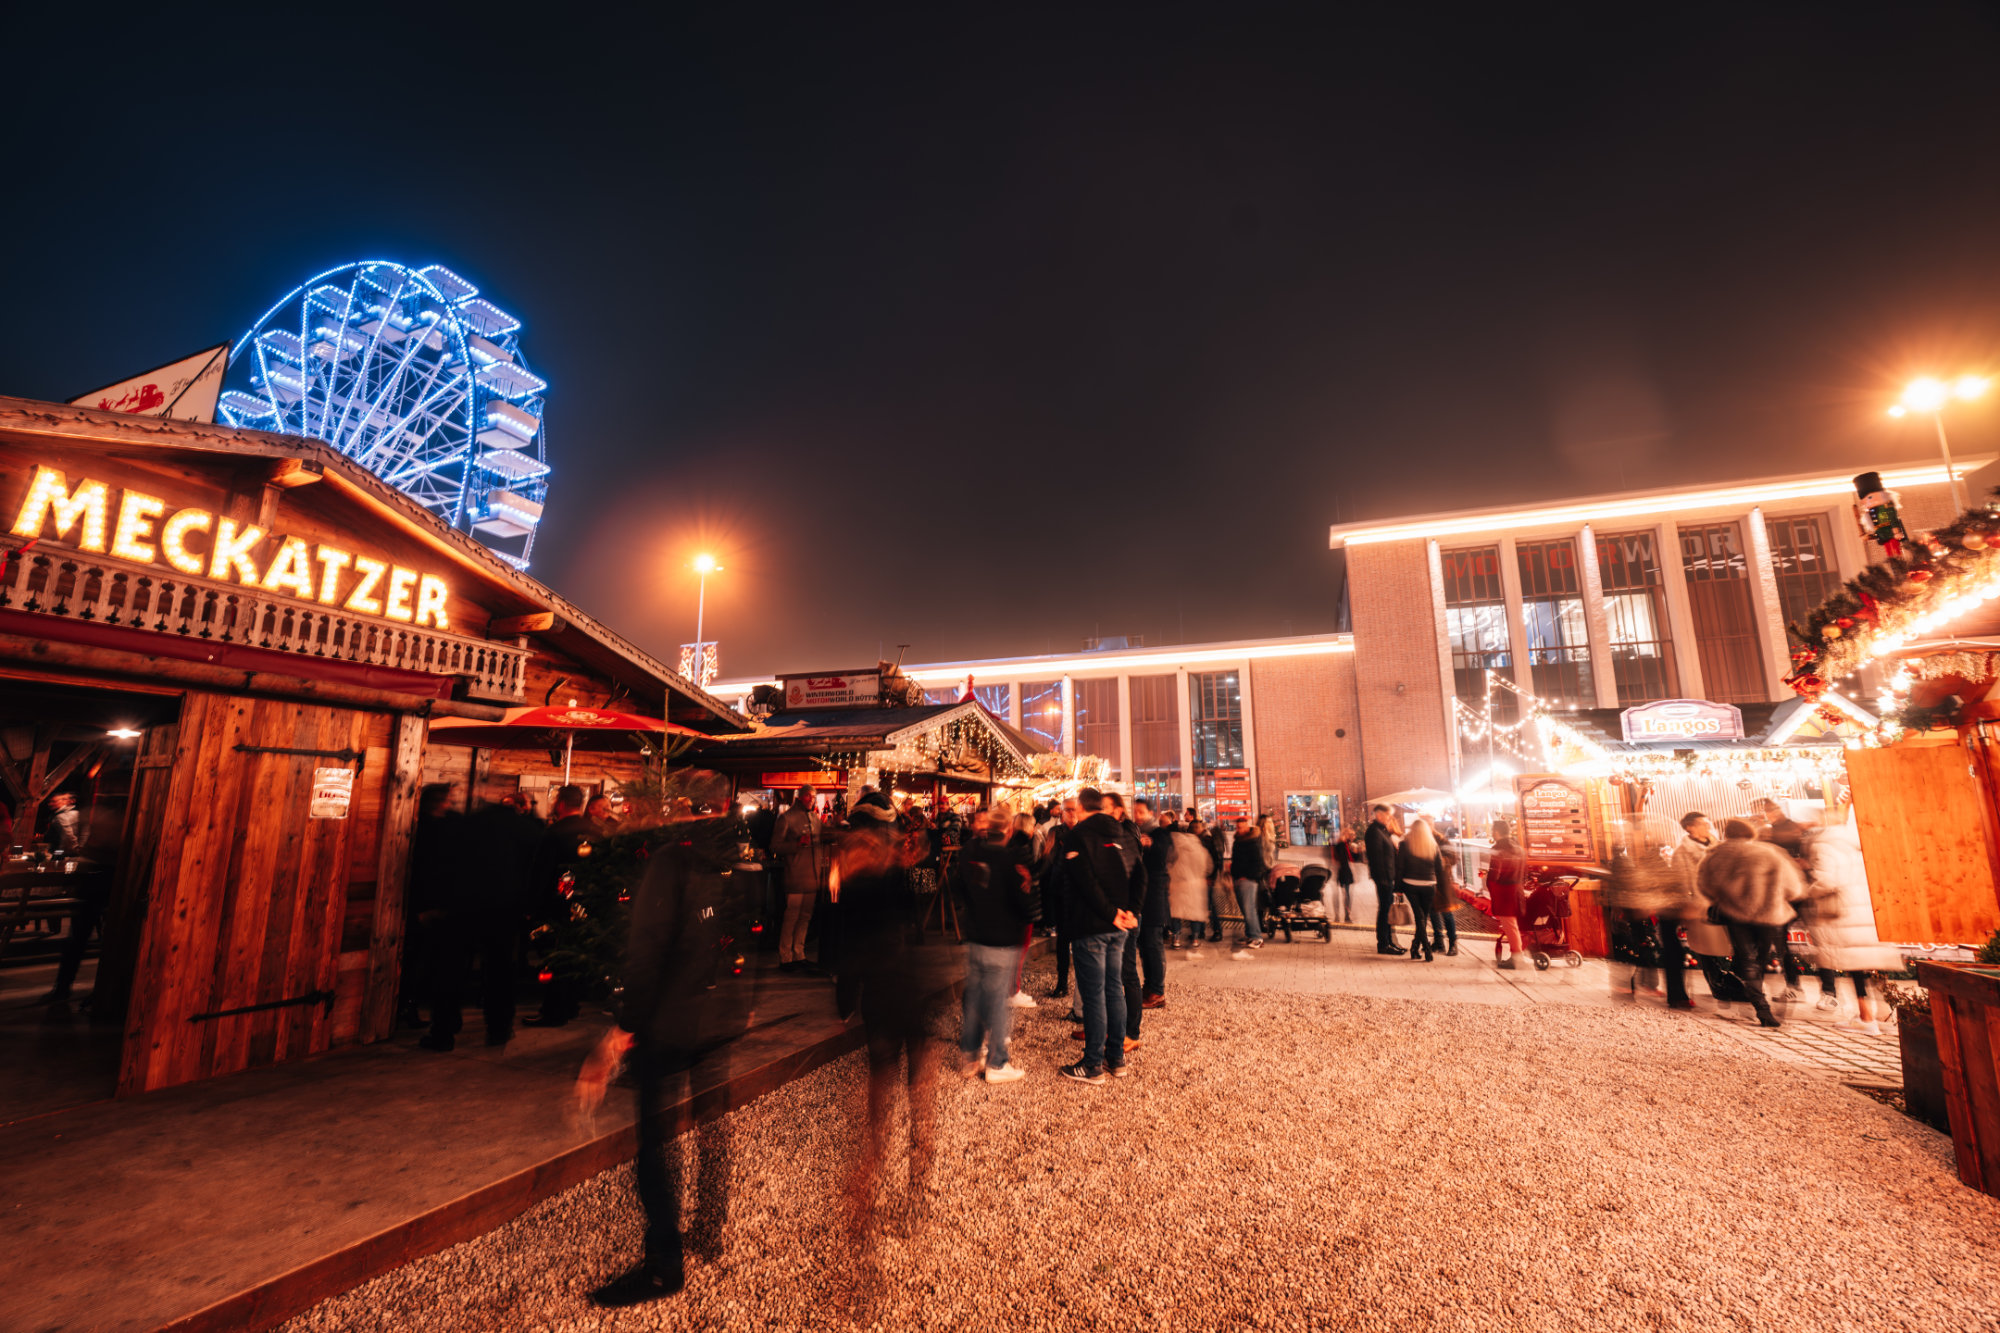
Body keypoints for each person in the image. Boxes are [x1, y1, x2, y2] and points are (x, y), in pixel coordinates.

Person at [576, 772, 747, 1307]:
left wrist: (623, 1028)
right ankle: (710, 1229)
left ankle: (663, 1263)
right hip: (720, 1016)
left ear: (681, 807)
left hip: (672, 1019)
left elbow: (647, 952)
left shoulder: (672, 862)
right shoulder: (739, 860)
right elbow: (744, 936)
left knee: (657, 1140)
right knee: (711, 1125)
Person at [831, 792, 939, 1223]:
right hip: (908, 988)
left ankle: (871, 1188)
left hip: (882, 991)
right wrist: (918, 859)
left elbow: (843, 944)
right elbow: (919, 910)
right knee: (919, 1098)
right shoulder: (892, 866)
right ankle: (916, 1190)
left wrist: (845, 1000)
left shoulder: (851, 874)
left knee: (883, 1096)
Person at [424, 793, 538, 1050]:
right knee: (500, 971)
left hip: (462, 907)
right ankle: (499, 1029)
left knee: (451, 971)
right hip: (504, 910)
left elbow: (444, 865)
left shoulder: (466, 826)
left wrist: (439, 903)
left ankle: (444, 1032)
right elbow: (534, 870)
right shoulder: (526, 830)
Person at [1057, 788, 1141, 1085]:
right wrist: (1130, 911)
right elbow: (1139, 874)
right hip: (1119, 926)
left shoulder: (1078, 836)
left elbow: (1085, 883)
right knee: (1113, 989)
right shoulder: (1122, 832)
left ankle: (1092, 1063)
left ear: (1080, 807)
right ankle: (1115, 1058)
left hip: (1091, 924)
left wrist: (1110, 913)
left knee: (1094, 996)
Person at [1696, 818, 1805, 1028]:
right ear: (1750, 832)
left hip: (1736, 915)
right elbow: (1794, 888)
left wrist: (1726, 898)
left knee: (1747, 960)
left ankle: (1762, 1009)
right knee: (1765, 957)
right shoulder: (1770, 852)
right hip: (1770, 914)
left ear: (1727, 834)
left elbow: (1704, 885)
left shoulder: (1715, 855)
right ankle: (1768, 997)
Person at [1805, 818, 1901, 1034]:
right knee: (1875, 965)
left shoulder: (1826, 845)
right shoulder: (1863, 844)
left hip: (1846, 913)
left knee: (1856, 967)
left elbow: (1828, 880)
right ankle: (1885, 1016)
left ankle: (1865, 1018)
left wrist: (1810, 891)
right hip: (1870, 910)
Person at [958, 810, 1034, 1081]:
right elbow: (1022, 903)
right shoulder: (1008, 860)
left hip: (976, 937)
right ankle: (997, 1062)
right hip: (1001, 941)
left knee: (975, 1000)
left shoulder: (970, 853)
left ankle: (970, 1056)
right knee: (998, 1003)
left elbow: (961, 889)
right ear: (1009, 831)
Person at [524, 785, 597, 1028]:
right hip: (587, 902)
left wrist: (531, 905)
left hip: (557, 902)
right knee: (577, 956)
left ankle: (554, 1011)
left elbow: (541, 872)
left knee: (555, 957)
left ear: (561, 803)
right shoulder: (594, 830)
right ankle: (571, 1005)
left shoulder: (554, 832)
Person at [771, 786, 828, 974]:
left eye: (813, 796)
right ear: (800, 797)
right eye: (808, 796)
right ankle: (785, 956)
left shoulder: (815, 819)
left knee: (805, 917)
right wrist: (796, 845)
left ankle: (799, 953)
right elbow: (775, 846)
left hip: (812, 876)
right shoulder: (786, 818)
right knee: (792, 917)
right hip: (795, 875)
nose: (811, 799)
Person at [1133, 798, 1171, 1009]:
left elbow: (1161, 856)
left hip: (1154, 896)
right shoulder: (1139, 833)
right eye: (1135, 812)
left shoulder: (1158, 833)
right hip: (1145, 897)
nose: (1137, 816)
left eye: (1140, 812)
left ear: (1150, 813)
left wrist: (1151, 845)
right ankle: (1149, 986)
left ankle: (1157, 991)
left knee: (1153, 944)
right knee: (1145, 944)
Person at [1396, 817, 1446, 962]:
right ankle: (1417, 948)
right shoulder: (1433, 845)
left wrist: (1398, 888)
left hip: (1410, 884)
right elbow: (1439, 868)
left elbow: (1400, 867)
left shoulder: (1405, 845)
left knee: (1420, 918)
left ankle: (1422, 948)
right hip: (1429, 884)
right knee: (1422, 917)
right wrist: (1440, 887)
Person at [1168, 813, 1214, 954]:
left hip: (1177, 885)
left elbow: (1168, 865)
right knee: (1194, 914)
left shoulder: (1176, 850)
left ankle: (1176, 938)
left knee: (1175, 913)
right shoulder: (1201, 850)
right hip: (1195, 885)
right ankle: (1194, 939)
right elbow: (1209, 867)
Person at [1364, 804, 1405, 955]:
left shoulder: (1381, 830)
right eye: (1388, 815)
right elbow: (1376, 858)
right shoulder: (1374, 832)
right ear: (1379, 815)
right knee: (1384, 911)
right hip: (1383, 878)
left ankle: (1389, 941)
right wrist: (1384, 879)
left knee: (1386, 910)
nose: (1389, 818)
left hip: (1388, 877)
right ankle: (1383, 943)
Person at [1486, 819, 1526, 969]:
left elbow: (1494, 875)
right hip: (1517, 888)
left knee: (1510, 925)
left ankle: (1517, 957)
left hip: (1503, 890)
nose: (1492, 833)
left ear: (1496, 832)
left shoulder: (1498, 849)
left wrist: (1489, 885)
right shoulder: (1519, 848)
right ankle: (1517, 955)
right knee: (1512, 924)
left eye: (1492, 831)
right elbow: (1524, 872)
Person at [1228, 815, 1269, 960]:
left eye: (1241, 826)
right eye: (1237, 827)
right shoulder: (1238, 841)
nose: (1238, 829)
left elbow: (1258, 863)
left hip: (1248, 880)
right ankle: (1250, 935)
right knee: (1245, 909)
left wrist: (1247, 876)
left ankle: (1256, 937)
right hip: (1239, 879)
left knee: (1249, 908)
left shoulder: (1252, 842)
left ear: (1247, 826)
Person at [1432, 841, 1462, 957]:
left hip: (1442, 883)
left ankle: (1452, 942)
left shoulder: (1440, 839)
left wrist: (1444, 860)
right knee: (1433, 913)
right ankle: (1439, 942)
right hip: (1430, 881)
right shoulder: (1425, 837)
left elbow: (1454, 858)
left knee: (1446, 913)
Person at [1332, 826, 1359, 924]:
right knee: (1346, 894)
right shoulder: (1342, 845)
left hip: (1344, 871)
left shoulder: (1345, 844)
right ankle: (1345, 915)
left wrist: (1356, 852)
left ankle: (1345, 915)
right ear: (1347, 835)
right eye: (1352, 834)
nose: (1354, 836)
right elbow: (1344, 860)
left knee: (1346, 894)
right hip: (1344, 872)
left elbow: (1351, 858)